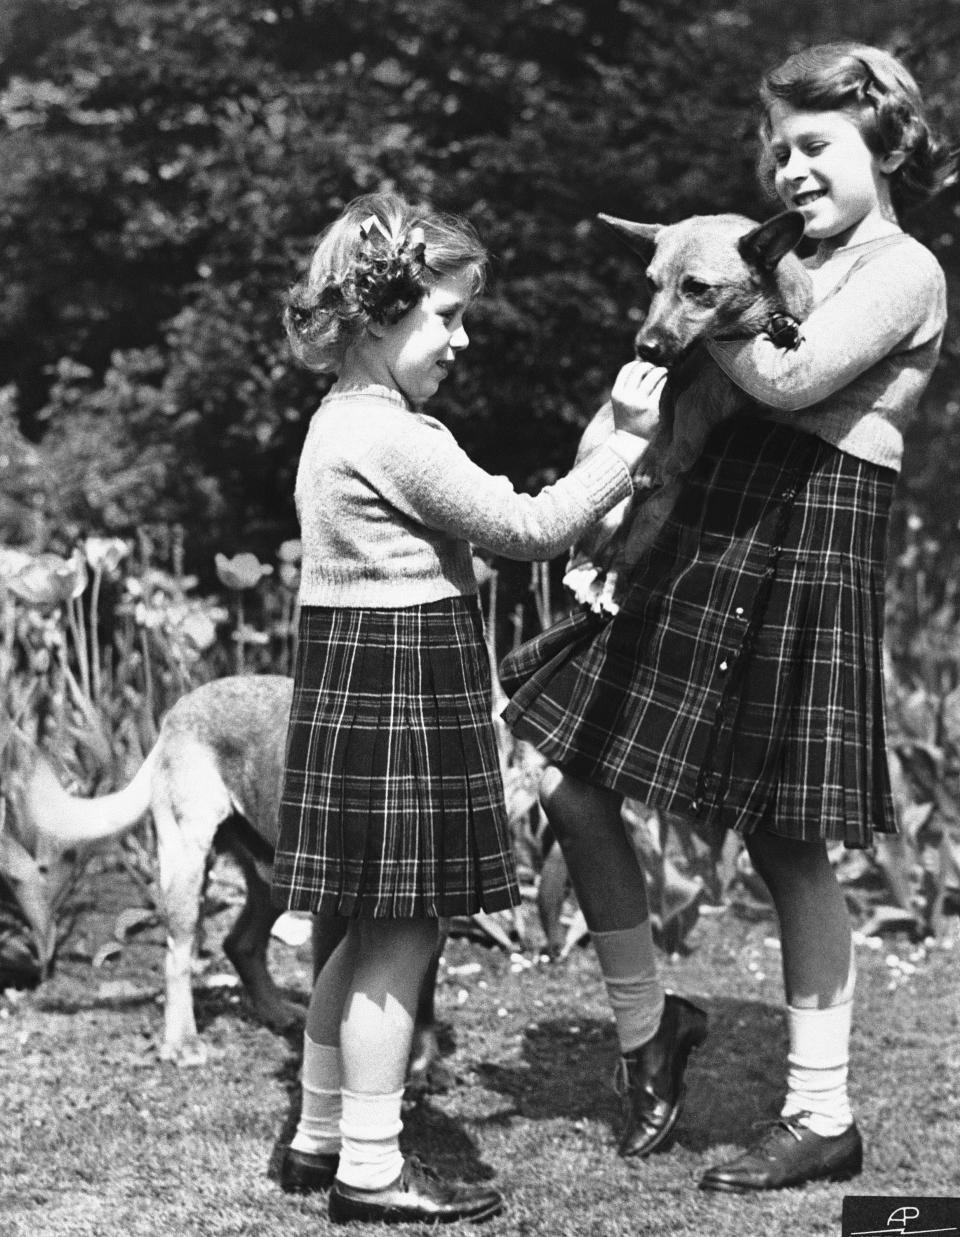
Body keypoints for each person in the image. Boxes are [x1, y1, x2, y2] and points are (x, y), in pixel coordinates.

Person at [501, 41, 952, 1192]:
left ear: (887, 145)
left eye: (819, 146)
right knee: (571, 770)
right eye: (780, 148)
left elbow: (794, 381)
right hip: (714, 521)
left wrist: (694, 307)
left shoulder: (904, 269)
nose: (792, 169)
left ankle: (820, 1112)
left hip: (810, 532)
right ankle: (653, 1026)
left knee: (784, 830)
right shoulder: (757, 257)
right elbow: (695, 367)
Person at [270, 190, 655, 1226]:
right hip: (400, 684)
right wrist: (627, 443)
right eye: (447, 315)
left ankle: (315, 1135)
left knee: (361, 927)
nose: (463, 336)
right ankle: (369, 1167)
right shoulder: (394, 436)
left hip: (368, 676)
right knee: (403, 931)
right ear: (380, 313)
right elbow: (526, 527)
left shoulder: (337, 424)